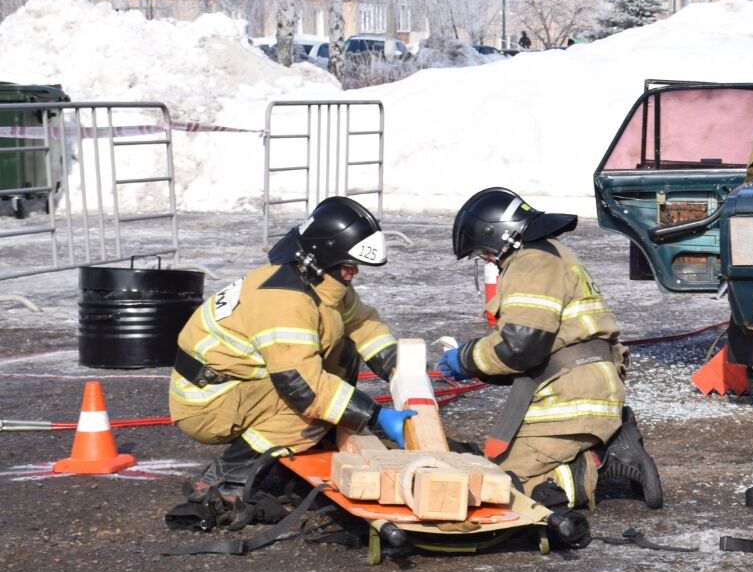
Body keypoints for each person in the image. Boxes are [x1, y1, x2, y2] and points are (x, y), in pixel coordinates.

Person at [168, 196, 413, 523]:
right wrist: (376, 415)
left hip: (238, 387)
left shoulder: (320, 283)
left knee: (343, 351)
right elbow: (305, 388)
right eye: (347, 265)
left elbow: (362, 324)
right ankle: (228, 478)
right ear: (323, 256)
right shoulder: (284, 300)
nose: (353, 273)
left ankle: (314, 441)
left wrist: (399, 368)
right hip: (207, 404)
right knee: (311, 409)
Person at [436, 187, 663, 511]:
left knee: (502, 488)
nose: (485, 259)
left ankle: (602, 462)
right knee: (493, 465)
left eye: (483, 251)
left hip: (573, 394)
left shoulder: (531, 263)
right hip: (575, 382)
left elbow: (521, 348)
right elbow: (535, 348)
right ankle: (605, 441)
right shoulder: (544, 255)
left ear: (500, 235)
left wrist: (465, 358)